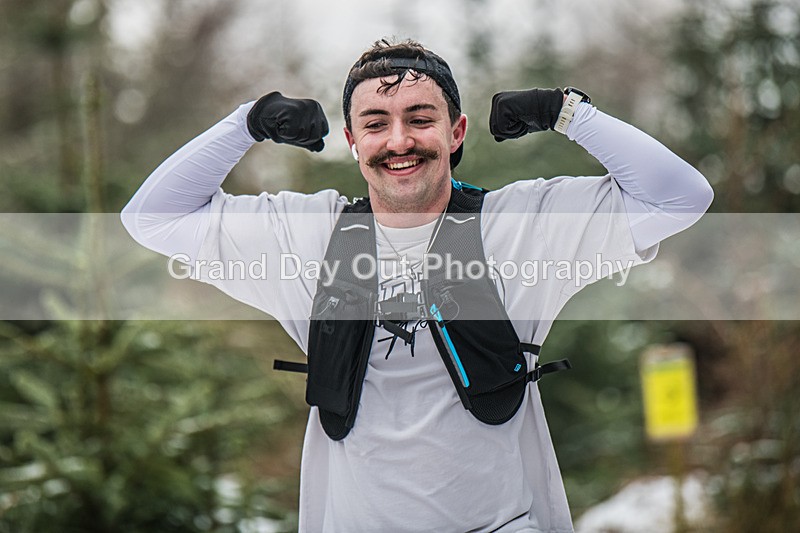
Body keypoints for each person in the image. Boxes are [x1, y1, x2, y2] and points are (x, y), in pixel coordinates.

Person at [122, 38, 713, 532]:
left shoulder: (522, 228)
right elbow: (152, 218)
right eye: (375, 124)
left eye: (420, 119)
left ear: (456, 132)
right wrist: (246, 123)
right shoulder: (307, 236)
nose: (399, 140)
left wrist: (567, 113)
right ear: (353, 142)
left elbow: (681, 197)